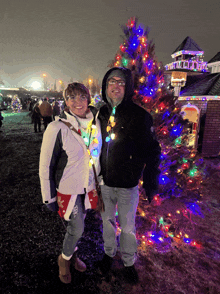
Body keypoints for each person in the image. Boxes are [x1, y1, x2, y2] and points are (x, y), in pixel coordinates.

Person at [97, 67, 161, 284]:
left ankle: (128, 262)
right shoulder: (100, 113)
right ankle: (108, 254)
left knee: (128, 227)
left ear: (128, 87)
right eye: (111, 82)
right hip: (105, 184)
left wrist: (150, 183)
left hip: (127, 186)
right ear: (105, 87)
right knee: (107, 223)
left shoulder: (140, 116)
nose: (116, 86)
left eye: (121, 82)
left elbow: (153, 151)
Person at [39, 83, 102, 284]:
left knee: (79, 226)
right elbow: (46, 165)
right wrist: (48, 196)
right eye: (71, 97)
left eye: (82, 97)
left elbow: (99, 158)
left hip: (89, 187)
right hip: (69, 190)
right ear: (65, 102)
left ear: (89, 99)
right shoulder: (56, 127)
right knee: (77, 228)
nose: (77, 102)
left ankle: (73, 254)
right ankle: (64, 260)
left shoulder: (97, 124)